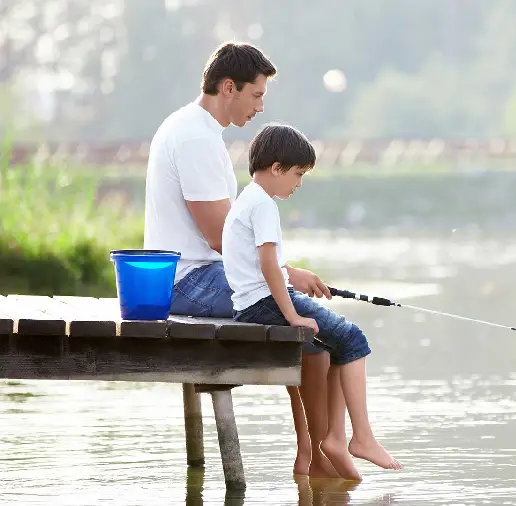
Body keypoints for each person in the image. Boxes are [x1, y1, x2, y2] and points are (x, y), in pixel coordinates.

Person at [142, 41, 337, 478]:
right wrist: (286, 274)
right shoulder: (195, 136)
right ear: (228, 87)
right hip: (188, 281)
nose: (261, 106)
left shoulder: (193, 128)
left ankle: (312, 449)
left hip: (194, 273)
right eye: (256, 94)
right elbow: (219, 237)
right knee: (309, 324)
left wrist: (283, 276)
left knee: (302, 318)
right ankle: (315, 453)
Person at [223, 123, 403, 480]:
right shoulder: (263, 206)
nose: (299, 183)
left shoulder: (248, 199)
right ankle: (359, 437)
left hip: (251, 303)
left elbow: (265, 268)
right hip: (266, 304)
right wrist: (291, 315)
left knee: (340, 342)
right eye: (297, 174)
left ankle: (336, 439)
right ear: (276, 168)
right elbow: (269, 267)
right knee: (354, 338)